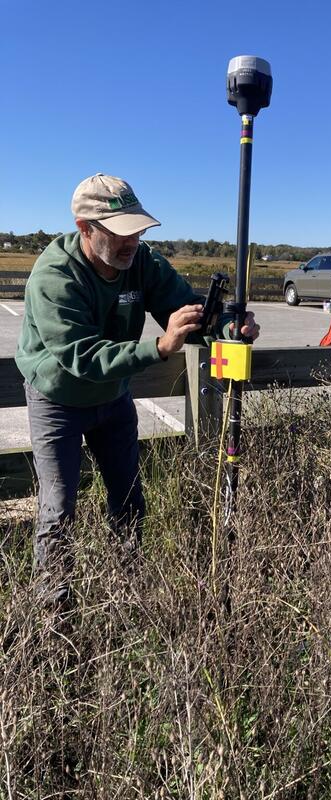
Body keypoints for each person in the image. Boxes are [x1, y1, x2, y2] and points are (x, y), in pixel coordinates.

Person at [15, 173, 259, 609]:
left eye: (138, 229)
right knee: (58, 511)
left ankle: (126, 592)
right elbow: (83, 357)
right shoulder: (55, 276)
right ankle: (53, 618)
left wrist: (227, 327)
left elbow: (189, 311)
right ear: (85, 228)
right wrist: (160, 347)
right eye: (121, 232)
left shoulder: (143, 262)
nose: (133, 241)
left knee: (128, 498)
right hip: (59, 400)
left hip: (112, 399)